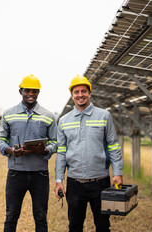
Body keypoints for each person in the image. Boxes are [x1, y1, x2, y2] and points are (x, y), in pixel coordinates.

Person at [54, 74, 123, 232]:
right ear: (72, 95)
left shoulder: (104, 116)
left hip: (100, 181)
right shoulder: (64, 121)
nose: (80, 95)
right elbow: (61, 153)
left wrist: (117, 172)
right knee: (75, 226)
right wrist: (59, 179)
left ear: (89, 93)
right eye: (76, 92)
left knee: (103, 225)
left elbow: (113, 145)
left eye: (83, 91)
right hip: (75, 183)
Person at [0, 74, 58, 232]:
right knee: (11, 215)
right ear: (20, 91)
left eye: (35, 91)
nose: (31, 94)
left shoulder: (48, 116)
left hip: (40, 175)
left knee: (41, 216)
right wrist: (11, 151)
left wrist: (45, 149)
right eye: (27, 90)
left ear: (38, 93)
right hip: (16, 174)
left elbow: (56, 141)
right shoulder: (8, 114)